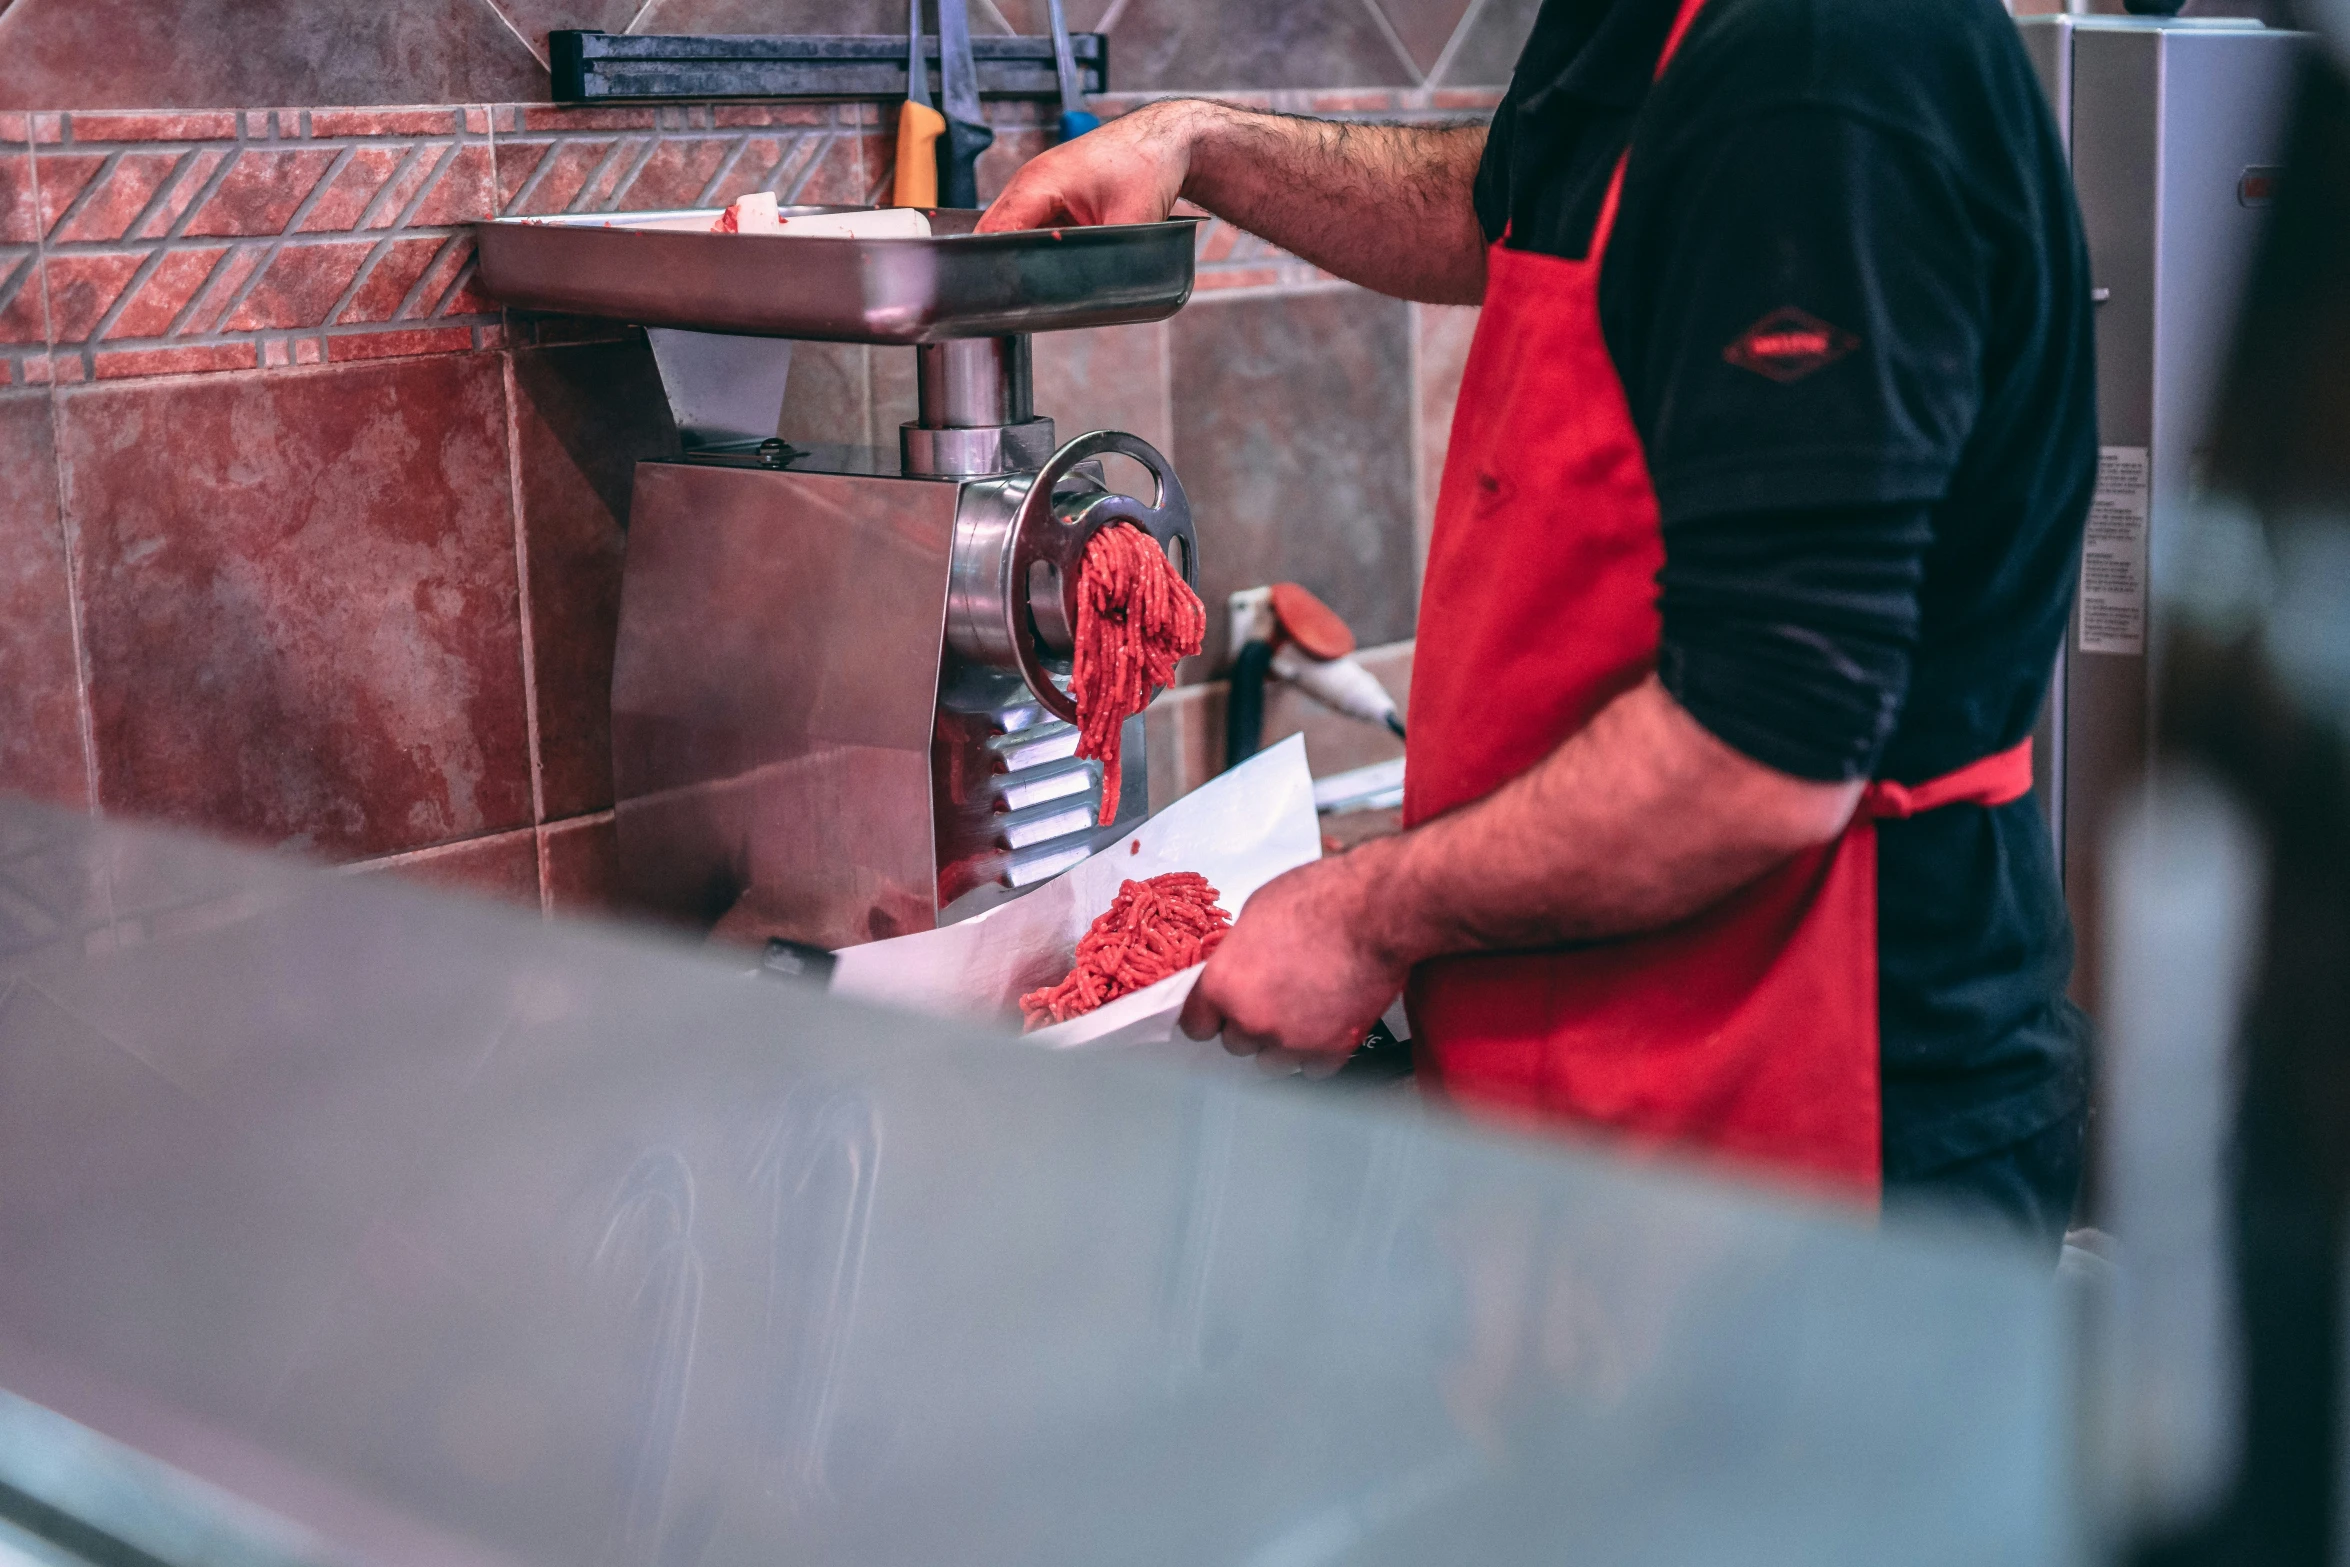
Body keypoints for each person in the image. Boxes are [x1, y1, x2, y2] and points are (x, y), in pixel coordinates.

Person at [979, 0, 2095, 1247]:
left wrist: (1363, 918)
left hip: (1816, 1114)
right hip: (1607, 1098)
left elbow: (1767, 749)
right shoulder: (1655, 28)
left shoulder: (1823, 61)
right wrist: (1198, 142)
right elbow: (1499, 202)